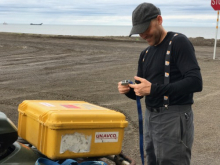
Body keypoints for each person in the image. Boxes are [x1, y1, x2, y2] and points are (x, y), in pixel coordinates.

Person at [118, 2, 202, 165]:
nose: (142, 34)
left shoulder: (178, 42)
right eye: (139, 31)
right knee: (152, 161)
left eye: (145, 28)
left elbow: (196, 82)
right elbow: (141, 91)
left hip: (173, 117)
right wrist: (129, 89)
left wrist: (154, 89)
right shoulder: (145, 54)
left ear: (159, 20)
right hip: (151, 118)